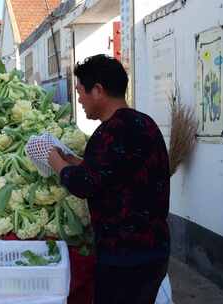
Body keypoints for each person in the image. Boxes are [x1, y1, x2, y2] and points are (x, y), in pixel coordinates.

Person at [48, 54, 170, 303]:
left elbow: (84, 185)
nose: (79, 99)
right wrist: (79, 163)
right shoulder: (145, 123)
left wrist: (58, 163)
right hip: (155, 249)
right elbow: (120, 175)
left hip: (124, 256)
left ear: (98, 90)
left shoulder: (110, 132)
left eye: (81, 91)